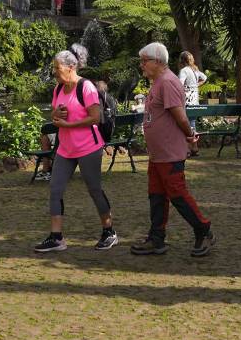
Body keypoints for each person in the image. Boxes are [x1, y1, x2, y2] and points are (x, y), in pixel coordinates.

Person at [131, 42, 214, 257]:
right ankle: (156, 238)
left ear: (158, 61)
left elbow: (181, 117)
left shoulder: (167, 82)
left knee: (177, 194)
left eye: (144, 61)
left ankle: (203, 230)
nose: (141, 65)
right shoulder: (159, 82)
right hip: (159, 154)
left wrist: (190, 136)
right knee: (156, 196)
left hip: (169, 152)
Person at [34, 45, 117, 253]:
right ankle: (56, 237)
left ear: (71, 67)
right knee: (55, 189)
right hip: (66, 149)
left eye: (57, 67)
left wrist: (68, 125)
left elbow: (95, 117)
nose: (54, 71)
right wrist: (57, 115)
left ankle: (109, 231)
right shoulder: (58, 88)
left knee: (94, 189)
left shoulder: (86, 87)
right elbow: (54, 113)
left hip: (88, 147)